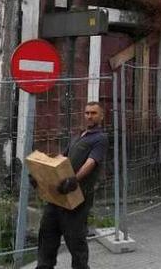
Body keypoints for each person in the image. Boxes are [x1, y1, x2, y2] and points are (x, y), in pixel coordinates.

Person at [34, 102, 108, 269]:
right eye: (87, 113)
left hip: (78, 197)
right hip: (59, 193)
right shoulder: (78, 136)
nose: (89, 116)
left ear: (101, 116)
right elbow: (61, 159)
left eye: (94, 113)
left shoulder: (100, 139)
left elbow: (91, 162)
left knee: (75, 239)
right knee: (47, 232)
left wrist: (74, 180)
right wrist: (43, 174)